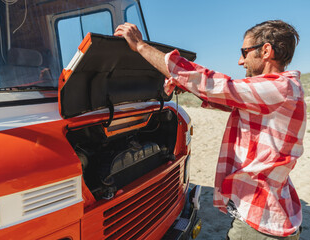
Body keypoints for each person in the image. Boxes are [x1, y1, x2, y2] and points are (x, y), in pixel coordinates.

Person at [114, 20, 306, 240]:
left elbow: (217, 86)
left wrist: (140, 46)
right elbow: (227, 99)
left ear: (266, 51)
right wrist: (187, 86)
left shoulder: (280, 88)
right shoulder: (281, 90)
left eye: (244, 52)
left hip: (262, 223)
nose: (240, 61)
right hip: (265, 211)